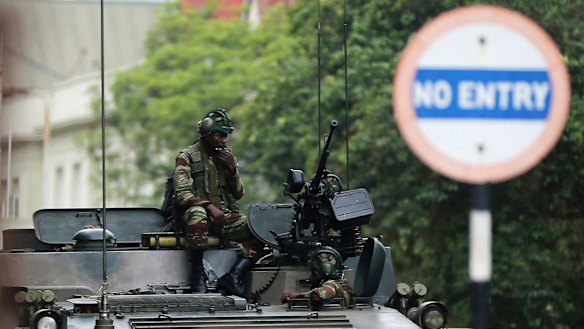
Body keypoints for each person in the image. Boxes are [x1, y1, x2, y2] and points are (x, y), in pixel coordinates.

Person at [172, 108, 263, 297]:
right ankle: (198, 275)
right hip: (194, 219)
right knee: (198, 214)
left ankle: (233, 276)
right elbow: (182, 194)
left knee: (258, 228)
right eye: (220, 135)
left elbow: (238, 194)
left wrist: (232, 169)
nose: (224, 140)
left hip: (223, 217)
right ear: (207, 133)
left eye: (226, 135)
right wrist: (208, 206)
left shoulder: (225, 156)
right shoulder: (187, 157)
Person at [280, 248, 353, 309]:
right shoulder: (340, 283)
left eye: (314, 273)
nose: (311, 277)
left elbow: (319, 294)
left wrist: (296, 296)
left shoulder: (332, 285)